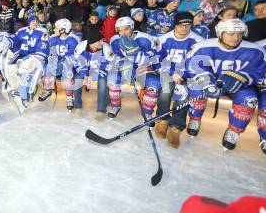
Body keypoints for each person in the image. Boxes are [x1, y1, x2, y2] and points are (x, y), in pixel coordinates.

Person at [185, 19, 266, 153]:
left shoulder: (255, 50)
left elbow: (260, 71)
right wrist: (207, 82)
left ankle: (234, 130)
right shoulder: (203, 46)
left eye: (239, 34)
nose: (236, 38)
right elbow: (194, 67)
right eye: (230, 34)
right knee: (195, 88)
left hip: (239, 85)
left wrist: (243, 77)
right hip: (211, 81)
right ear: (220, 33)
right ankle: (195, 119)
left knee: (249, 99)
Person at [153, 12, 204, 148]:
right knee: (165, 89)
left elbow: (199, 64)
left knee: (184, 94)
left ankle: (176, 126)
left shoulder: (198, 41)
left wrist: (184, 75)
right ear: (174, 25)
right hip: (168, 71)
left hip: (187, 74)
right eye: (181, 25)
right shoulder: (163, 38)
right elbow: (156, 60)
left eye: (188, 25)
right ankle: (162, 119)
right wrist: (172, 72)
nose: (185, 28)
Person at [0, 14, 49, 113]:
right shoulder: (22, 31)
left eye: (36, 21)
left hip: (35, 58)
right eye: (33, 21)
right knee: (10, 67)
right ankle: (15, 88)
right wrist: (7, 42)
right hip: (23, 57)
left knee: (27, 73)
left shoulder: (42, 31)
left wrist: (35, 60)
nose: (35, 23)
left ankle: (24, 96)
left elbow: (42, 48)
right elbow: (15, 39)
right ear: (29, 22)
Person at [109, 16, 158, 120]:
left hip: (143, 67)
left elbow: (154, 58)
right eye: (120, 30)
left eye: (126, 29)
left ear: (132, 27)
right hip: (126, 67)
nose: (123, 33)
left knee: (153, 83)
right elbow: (115, 57)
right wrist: (124, 66)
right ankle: (115, 105)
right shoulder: (115, 40)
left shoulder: (145, 39)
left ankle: (148, 112)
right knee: (113, 79)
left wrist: (138, 59)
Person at [38, 18, 80, 111]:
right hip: (56, 64)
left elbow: (73, 57)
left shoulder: (73, 39)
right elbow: (49, 52)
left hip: (69, 64)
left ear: (63, 29)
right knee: (47, 65)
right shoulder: (53, 38)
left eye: (56, 28)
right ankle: (48, 89)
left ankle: (69, 97)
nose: (54, 30)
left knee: (67, 69)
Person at [73, 28, 111, 119]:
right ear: (92, 42)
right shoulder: (81, 47)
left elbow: (109, 65)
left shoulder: (106, 48)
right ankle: (78, 106)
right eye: (99, 41)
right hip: (85, 70)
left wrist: (97, 75)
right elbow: (78, 63)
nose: (102, 43)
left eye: (102, 40)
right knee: (77, 80)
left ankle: (101, 110)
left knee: (102, 83)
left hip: (100, 71)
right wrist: (85, 75)